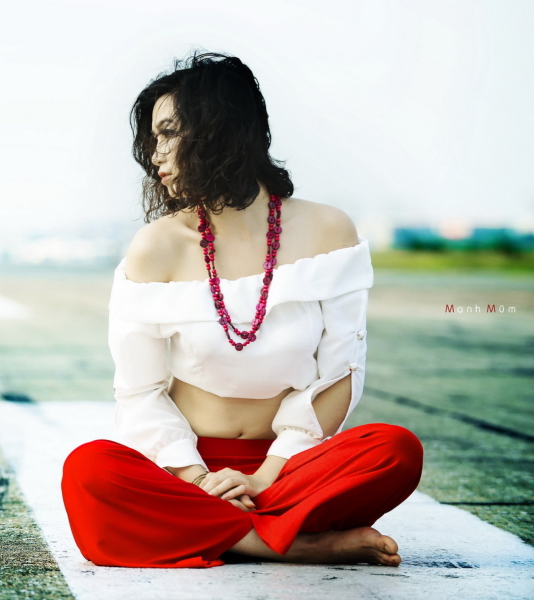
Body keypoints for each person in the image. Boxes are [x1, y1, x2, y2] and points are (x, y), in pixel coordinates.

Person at [61, 52, 424, 569]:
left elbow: (341, 374)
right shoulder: (155, 248)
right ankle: (293, 543)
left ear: (220, 131)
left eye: (169, 133)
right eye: (153, 139)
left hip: (290, 467)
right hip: (184, 470)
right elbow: (139, 394)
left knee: (395, 450)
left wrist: (263, 476)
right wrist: (199, 480)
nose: (156, 155)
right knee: (89, 470)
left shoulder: (329, 233)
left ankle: (223, 530)